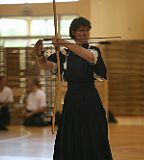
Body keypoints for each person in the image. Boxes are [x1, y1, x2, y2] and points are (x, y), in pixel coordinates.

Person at [35, 17, 113, 160]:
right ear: (73, 32)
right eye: (81, 30)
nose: (85, 34)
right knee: (73, 133)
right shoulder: (65, 55)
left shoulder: (92, 50)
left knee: (92, 132)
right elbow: (49, 66)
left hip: (90, 98)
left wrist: (64, 42)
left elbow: (89, 57)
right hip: (72, 99)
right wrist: (40, 55)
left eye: (87, 30)